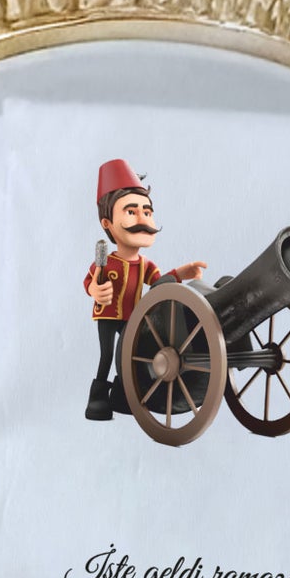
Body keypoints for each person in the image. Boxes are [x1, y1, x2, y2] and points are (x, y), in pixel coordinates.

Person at [83, 160, 205, 421]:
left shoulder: (146, 264)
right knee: (108, 355)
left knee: (133, 354)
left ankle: (122, 396)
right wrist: (95, 289)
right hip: (108, 316)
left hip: (134, 317)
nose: (143, 220)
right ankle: (97, 399)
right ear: (107, 223)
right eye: (131, 211)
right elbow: (89, 282)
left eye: (147, 212)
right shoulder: (107, 262)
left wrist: (182, 273)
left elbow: (160, 285)